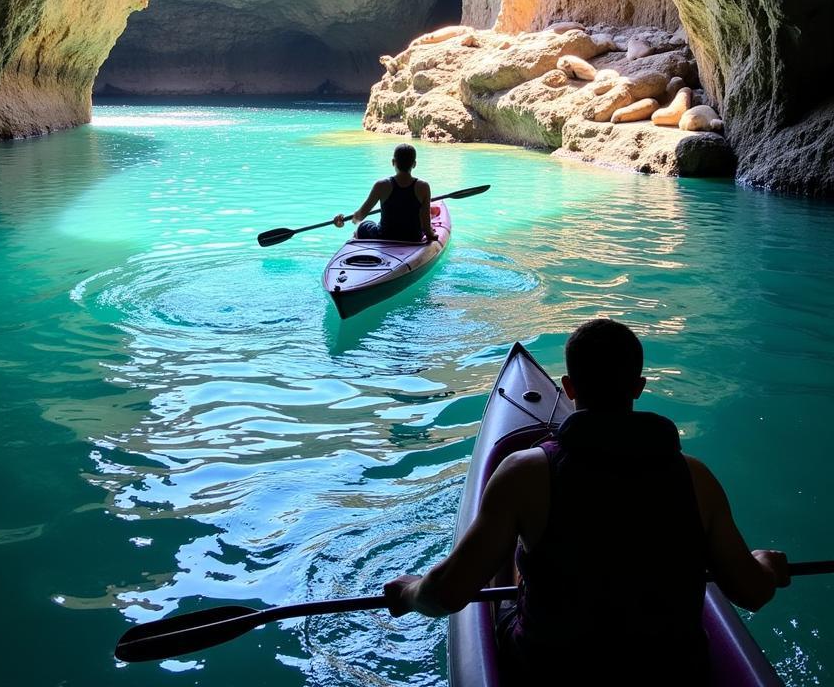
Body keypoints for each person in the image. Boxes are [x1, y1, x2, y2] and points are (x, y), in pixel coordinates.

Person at [383, 318, 790, 685]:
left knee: (513, 564)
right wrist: (765, 565)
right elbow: (752, 592)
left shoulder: (525, 472)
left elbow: (447, 595)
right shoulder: (696, 477)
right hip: (670, 671)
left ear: (569, 388)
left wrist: (409, 591)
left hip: (550, 668)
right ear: (638, 387)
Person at [334, 143, 436, 242]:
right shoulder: (423, 187)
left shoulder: (381, 185)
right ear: (414, 164)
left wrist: (341, 221)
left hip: (384, 236)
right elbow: (426, 226)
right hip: (413, 237)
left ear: (393, 162)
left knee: (365, 225)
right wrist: (432, 235)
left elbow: (359, 216)